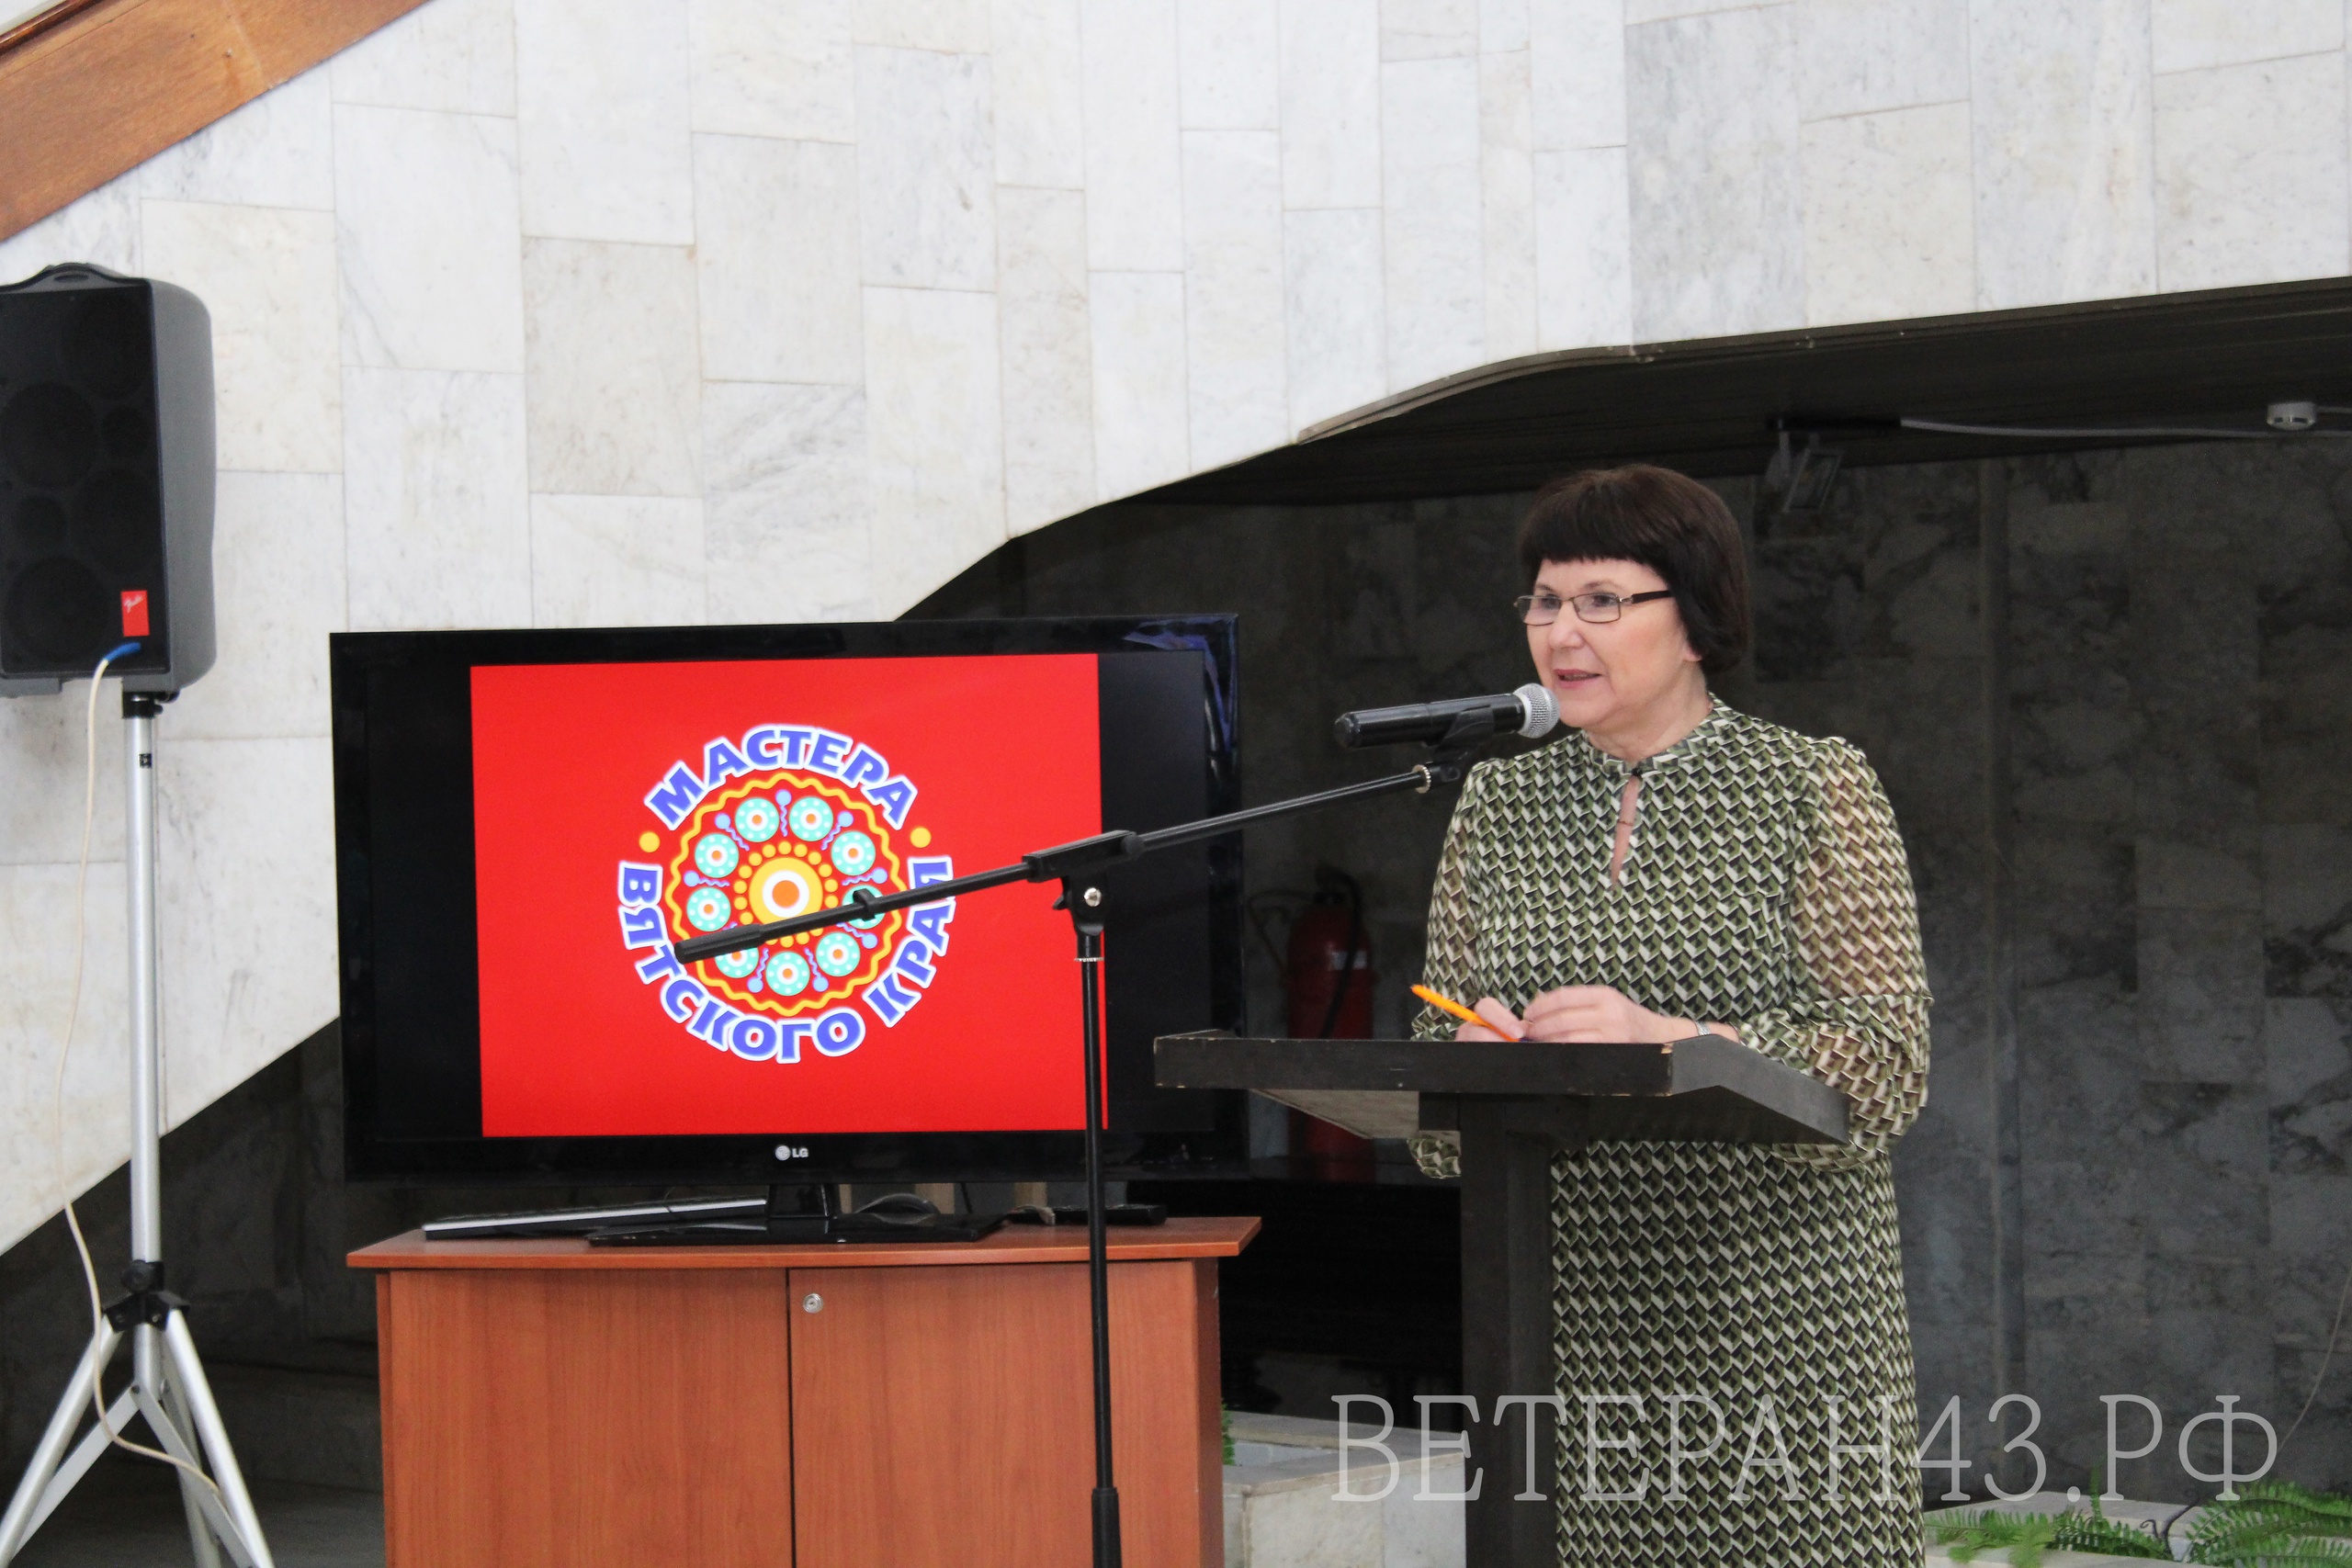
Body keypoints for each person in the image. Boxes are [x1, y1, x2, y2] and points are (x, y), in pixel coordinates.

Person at [1407, 464, 1931, 1567]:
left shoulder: (1811, 787)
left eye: (1603, 600)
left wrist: (1680, 1042)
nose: (1562, 632)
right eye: (1545, 602)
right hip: (1561, 1321)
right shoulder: (1497, 803)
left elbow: (1884, 1063)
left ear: (1693, 618)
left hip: (1779, 1323)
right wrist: (1466, 1058)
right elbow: (1430, 1080)